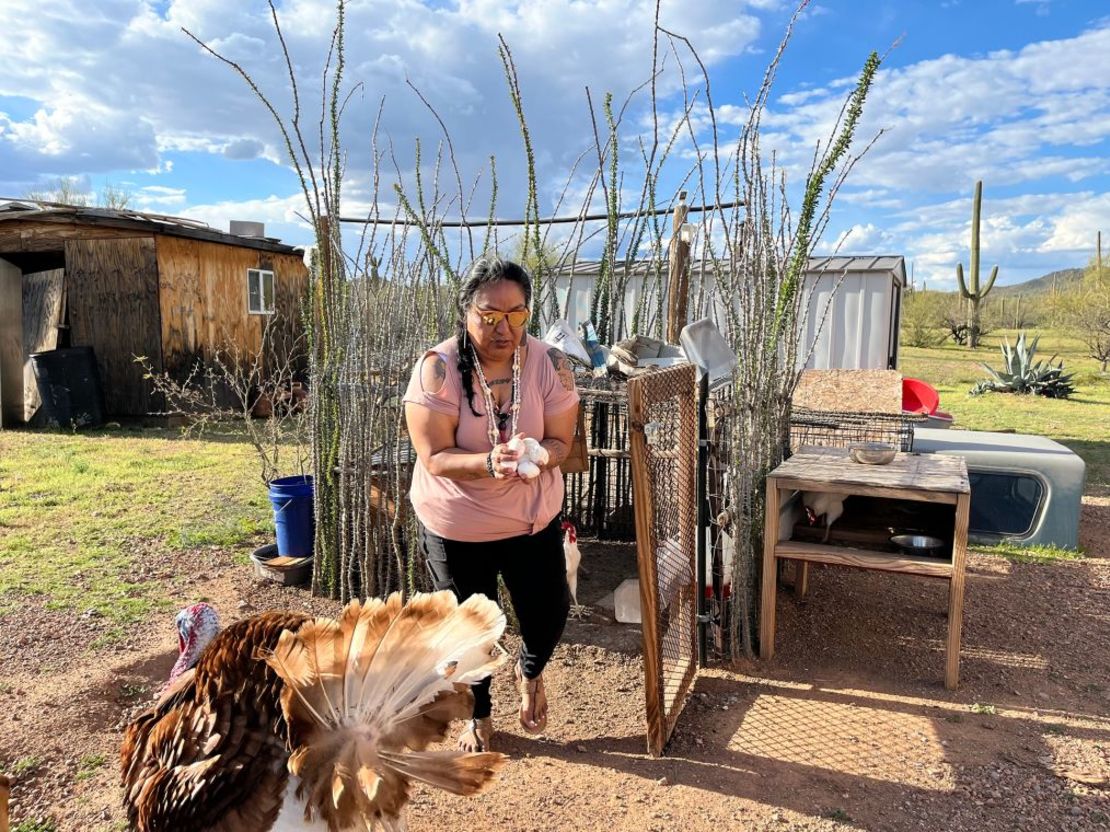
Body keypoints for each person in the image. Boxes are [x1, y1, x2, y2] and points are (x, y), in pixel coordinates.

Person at [403, 255, 579, 752]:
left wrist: (541, 456)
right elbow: (434, 456)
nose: (505, 328)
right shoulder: (437, 369)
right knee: (469, 631)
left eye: (517, 315)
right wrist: (487, 463)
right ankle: (478, 714)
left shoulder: (550, 363)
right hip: (457, 524)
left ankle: (531, 671)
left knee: (547, 613)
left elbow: (565, 441)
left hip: (531, 520)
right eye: (490, 316)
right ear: (466, 312)